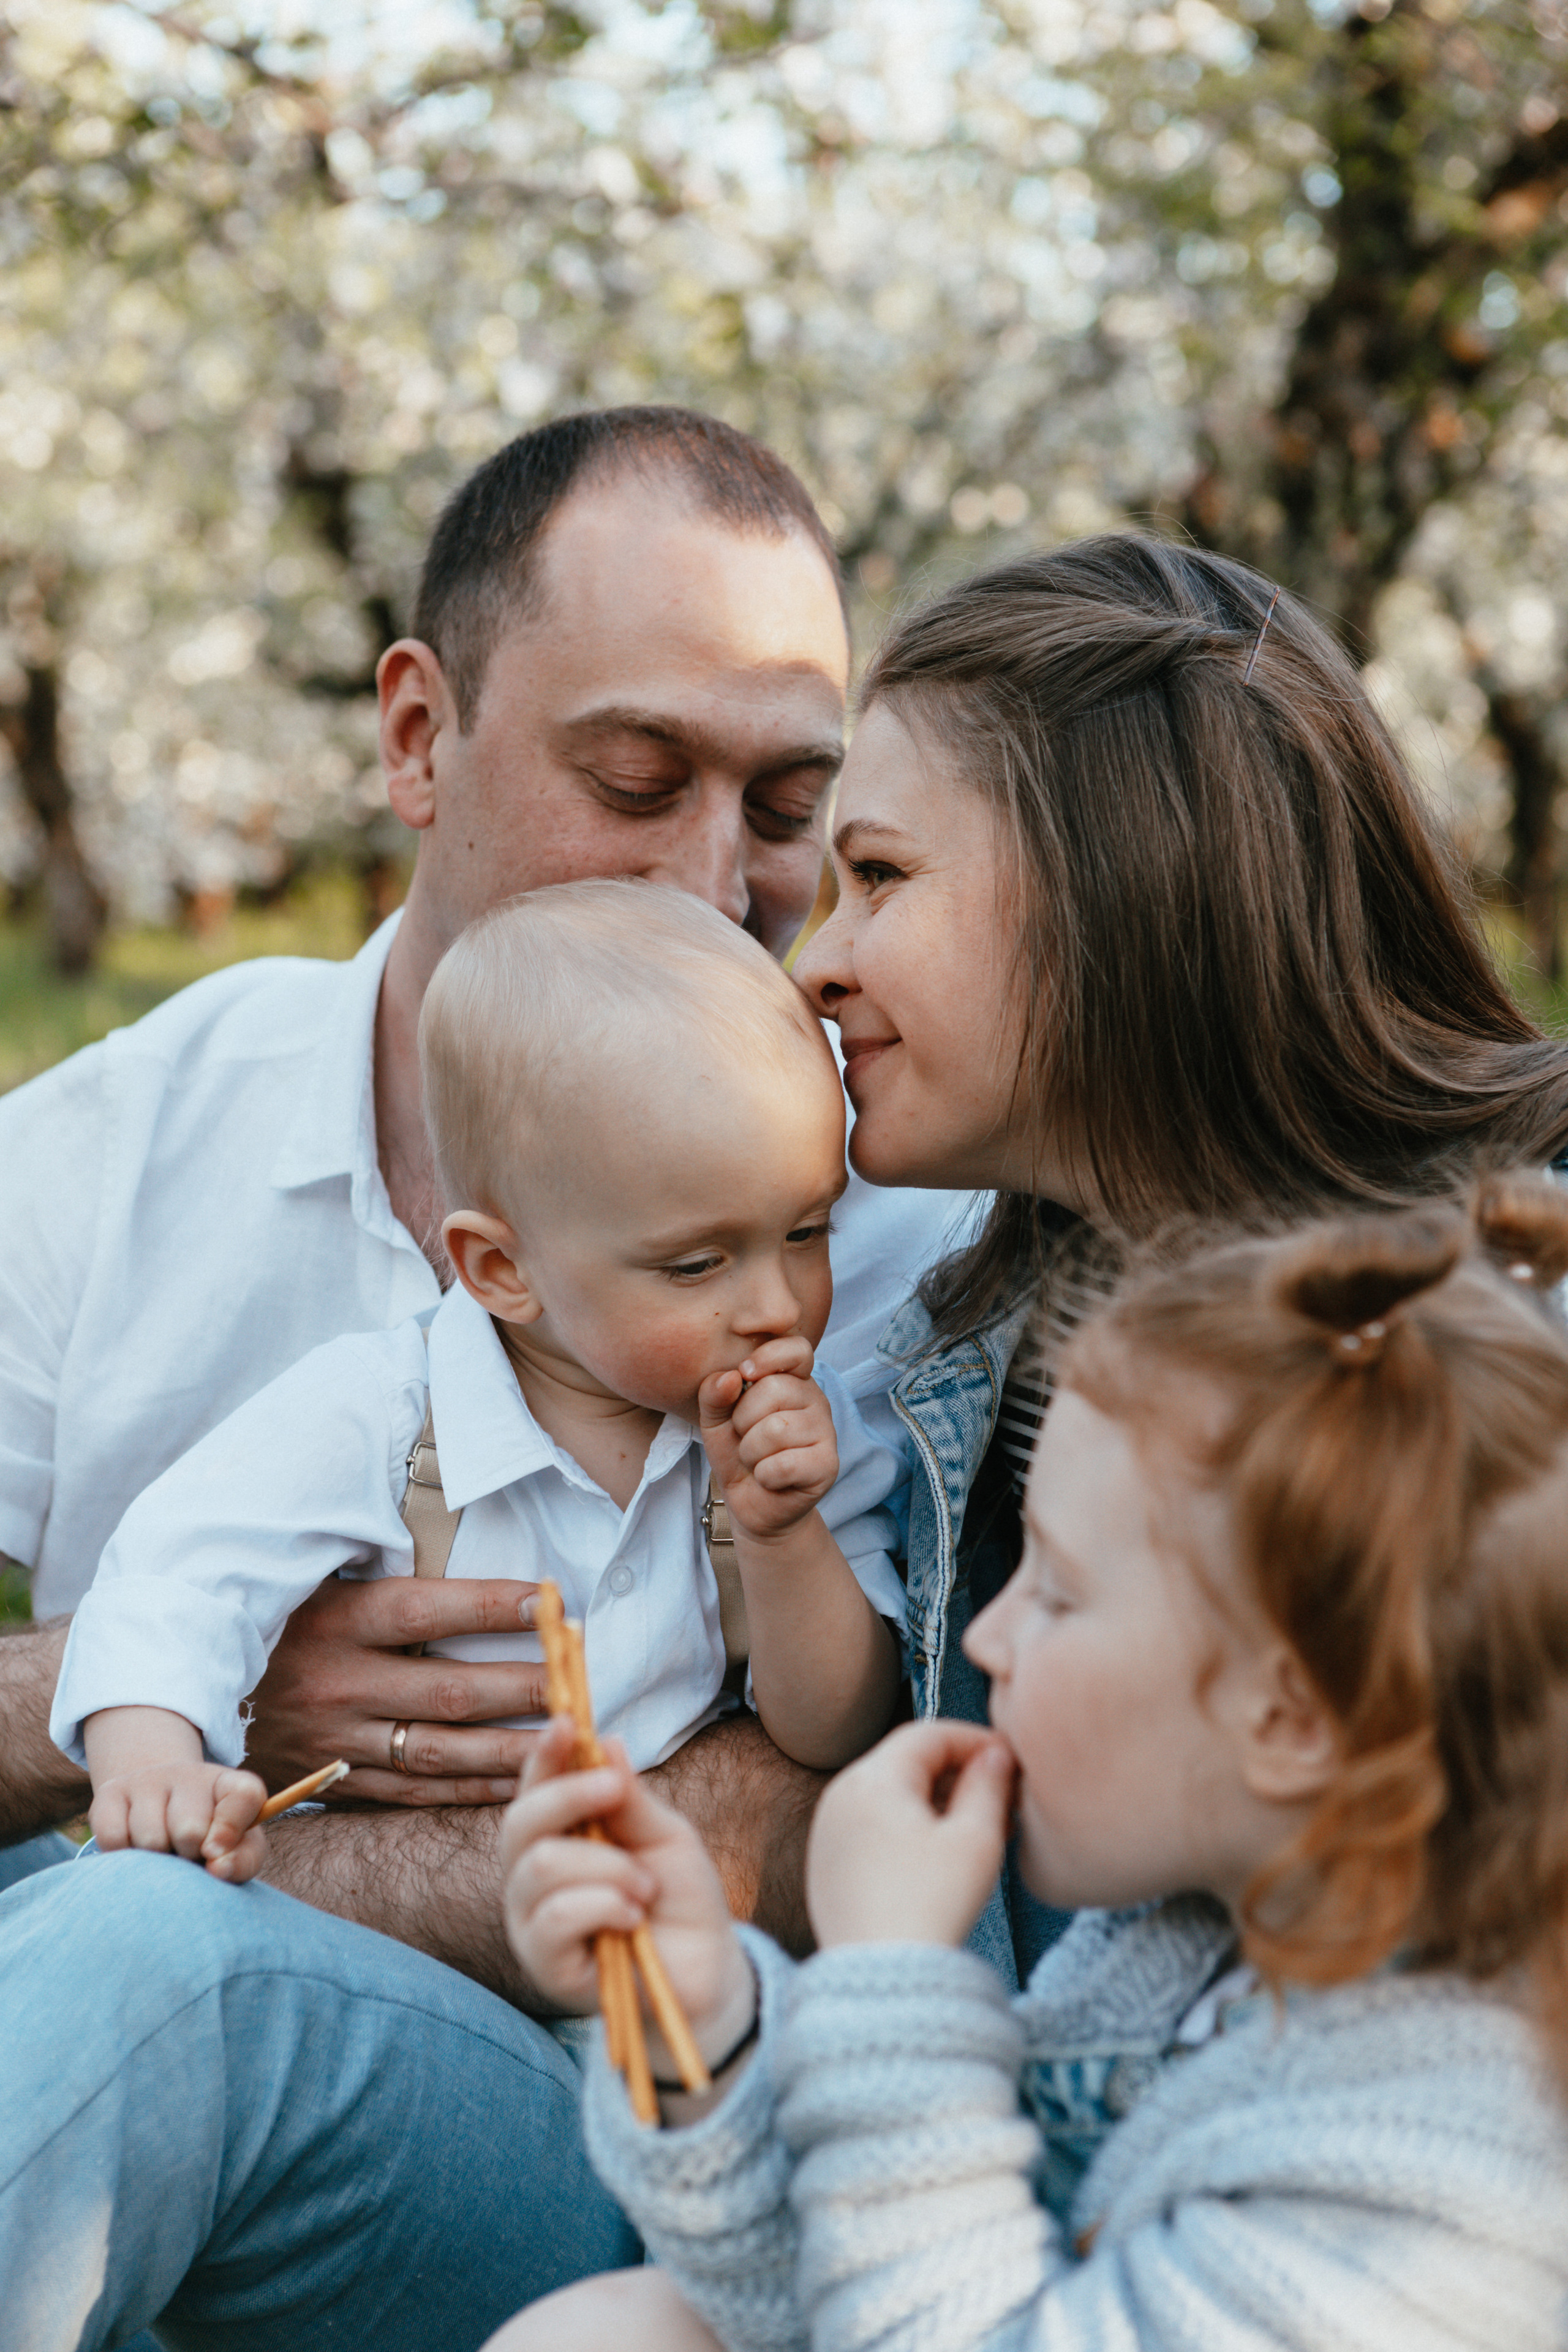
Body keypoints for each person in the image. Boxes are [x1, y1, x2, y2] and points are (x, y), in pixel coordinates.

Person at [0, 412, 972, 2352]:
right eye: (634, 777)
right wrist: (121, 1700)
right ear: (420, 739)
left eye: (790, 809)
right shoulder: (117, 1147)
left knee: (143, 1960)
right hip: (93, 2026)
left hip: (609, 2144)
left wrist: (250, 1872)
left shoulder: (898, 1225)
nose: (718, 886)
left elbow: (843, 1800)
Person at [497, 1181, 1568, 2352]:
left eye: (1056, 1592)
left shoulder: (1419, 2185)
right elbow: (846, 2290)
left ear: (1292, 1718)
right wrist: (705, 2025)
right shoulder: (1189, 1951)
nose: (985, 1639)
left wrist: (894, 1975)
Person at [56, 883, 907, 1877]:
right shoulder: (386, 1415)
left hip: (668, 1962)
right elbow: (177, 1578)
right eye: (696, 1265)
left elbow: (836, 1731)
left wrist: (782, 1536)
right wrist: (155, 1764)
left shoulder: (794, 1444)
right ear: (503, 1272)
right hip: (408, 1941)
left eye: (808, 1232)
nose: (777, 1304)